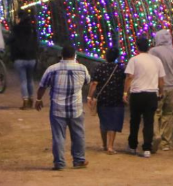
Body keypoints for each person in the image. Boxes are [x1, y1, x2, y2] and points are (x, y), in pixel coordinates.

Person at [35, 43, 90, 171]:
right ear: (75, 55)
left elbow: (42, 86)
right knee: (78, 134)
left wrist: (38, 99)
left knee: (58, 136)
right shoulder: (82, 68)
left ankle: (59, 163)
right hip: (76, 107)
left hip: (57, 108)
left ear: (61, 56)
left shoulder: (52, 69)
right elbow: (87, 81)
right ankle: (79, 160)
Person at [123, 37, 165, 158]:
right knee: (149, 121)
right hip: (151, 94)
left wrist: (125, 92)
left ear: (137, 47)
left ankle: (132, 146)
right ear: (149, 47)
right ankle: (147, 147)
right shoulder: (157, 61)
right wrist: (161, 92)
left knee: (134, 121)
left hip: (137, 93)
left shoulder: (134, 60)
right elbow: (161, 79)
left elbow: (129, 77)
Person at [149, 29, 173, 152]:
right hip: (172, 87)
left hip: (157, 87)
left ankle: (155, 135)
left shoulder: (153, 51)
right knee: (169, 114)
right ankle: (165, 142)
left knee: (155, 112)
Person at [87, 47, 126, 154]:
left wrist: (90, 96)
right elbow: (124, 81)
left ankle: (104, 144)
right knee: (113, 122)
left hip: (102, 99)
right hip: (116, 98)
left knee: (104, 121)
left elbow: (94, 83)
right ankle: (110, 146)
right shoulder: (120, 69)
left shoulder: (100, 67)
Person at [8, 10, 37, 110]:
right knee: (30, 79)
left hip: (19, 58)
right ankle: (31, 99)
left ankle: (25, 100)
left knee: (23, 81)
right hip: (31, 57)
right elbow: (36, 43)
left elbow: (10, 40)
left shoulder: (16, 29)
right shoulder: (32, 29)